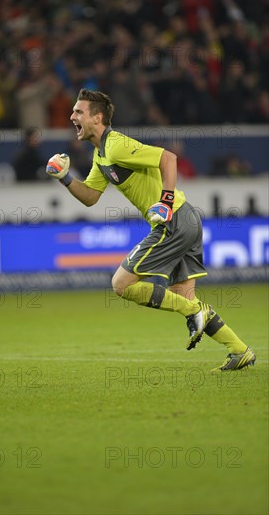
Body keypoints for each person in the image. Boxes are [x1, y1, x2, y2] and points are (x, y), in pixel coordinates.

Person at [45, 89, 256, 372]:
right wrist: (65, 178)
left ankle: (195, 313)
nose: (72, 117)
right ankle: (239, 350)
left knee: (121, 284)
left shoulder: (116, 145)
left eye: (78, 112)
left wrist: (165, 201)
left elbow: (168, 158)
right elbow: (91, 196)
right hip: (186, 219)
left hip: (174, 221)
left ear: (97, 117)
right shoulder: (101, 155)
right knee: (184, 296)